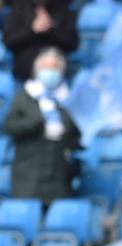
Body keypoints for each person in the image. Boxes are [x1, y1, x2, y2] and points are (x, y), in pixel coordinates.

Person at [4, 47, 79, 207]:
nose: (50, 72)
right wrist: (36, 123)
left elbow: (77, 132)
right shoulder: (24, 97)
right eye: (46, 67)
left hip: (59, 174)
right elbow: (10, 126)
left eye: (54, 67)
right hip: (28, 173)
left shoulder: (68, 100)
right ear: (37, 70)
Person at [2, 0, 78, 82]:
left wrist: (51, 30)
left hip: (56, 60)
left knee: (51, 60)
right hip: (25, 67)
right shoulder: (18, 7)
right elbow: (9, 41)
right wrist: (32, 30)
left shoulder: (62, 7)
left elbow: (72, 42)